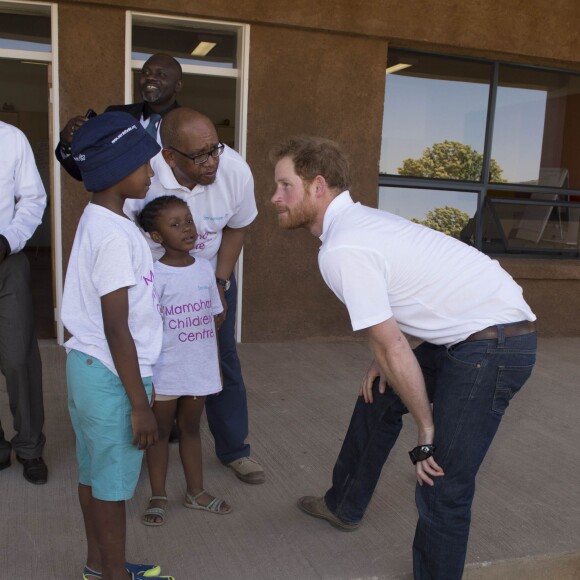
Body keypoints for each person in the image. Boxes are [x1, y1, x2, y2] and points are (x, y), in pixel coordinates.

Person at [270, 136, 538, 580]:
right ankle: (344, 503)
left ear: (317, 186)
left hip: (493, 347)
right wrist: (388, 355)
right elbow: (410, 296)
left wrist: (426, 427)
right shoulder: (360, 223)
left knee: (441, 480)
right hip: (473, 327)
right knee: (379, 392)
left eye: (284, 186)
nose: (274, 197)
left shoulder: (343, 248)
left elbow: (390, 345)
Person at [61, 112, 174, 580]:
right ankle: (112, 575)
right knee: (111, 489)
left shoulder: (106, 219)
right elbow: (116, 327)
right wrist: (139, 404)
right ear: (116, 170)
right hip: (113, 376)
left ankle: (99, 566)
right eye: (146, 165)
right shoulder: (110, 234)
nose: (152, 173)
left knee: (94, 477)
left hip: (90, 369)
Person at [126, 107, 264, 485]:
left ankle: (235, 450)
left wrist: (219, 284)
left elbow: (237, 228)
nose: (212, 161)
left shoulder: (234, 170)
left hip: (206, 278)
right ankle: (141, 446)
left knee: (221, 361)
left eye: (215, 149)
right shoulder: (143, 173)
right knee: (147, 361)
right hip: (153, 281)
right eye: (200, 155)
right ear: (169, 156)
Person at [138, 195, 232, 525]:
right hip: (165, 372)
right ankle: (158, 494)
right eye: (175, 225)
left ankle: (196, 492)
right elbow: (145, 328)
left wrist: (214, 369)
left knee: (191, 429)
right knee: (160, 433)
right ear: (156, 236)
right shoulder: (154, 276)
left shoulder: (206, 269)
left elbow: (213, 323)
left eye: (188, 221)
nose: (186, 229)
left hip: (198, 371)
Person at [0, 121, 48, 485]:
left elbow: (33, 198)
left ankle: (30, 447)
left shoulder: (11, 138)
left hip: (6, 260)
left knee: (18, 358)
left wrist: (8, 239)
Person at [55, 53, 183, 181]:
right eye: (145, 72)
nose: (150, 77)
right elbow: (85, 169)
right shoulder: (116, 117)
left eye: (160, 74)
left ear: (177, 85)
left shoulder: (189, 124)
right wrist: (67, 144)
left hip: (172, 200)